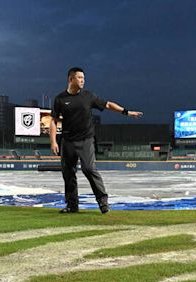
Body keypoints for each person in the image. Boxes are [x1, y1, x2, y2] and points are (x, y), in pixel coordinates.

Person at [49, 67, 143, 214]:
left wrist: (127, 112)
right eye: (80, 78)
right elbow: (53, 121)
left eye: (84, 78)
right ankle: (72, 206)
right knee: (68, 173)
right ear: (71, 79)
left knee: (89, 169)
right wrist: (53, 141)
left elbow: (108, 104)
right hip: (67, 141)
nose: (82, 81)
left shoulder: (89, 96)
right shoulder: (60, 99)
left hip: (86, 139)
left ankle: (103, 202)